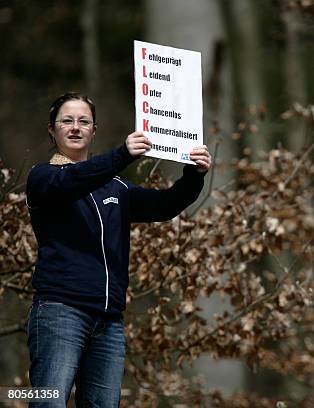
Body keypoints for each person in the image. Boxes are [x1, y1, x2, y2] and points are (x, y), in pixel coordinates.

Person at [26, 92, 212, 407]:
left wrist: (194, 175)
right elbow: (72, 181)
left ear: (93, 130)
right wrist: (122, 155)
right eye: (66, 121)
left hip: (109, 322)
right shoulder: (43, 177)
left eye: (83, 121)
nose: (75, 127)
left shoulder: (117, 188)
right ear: (51, 130)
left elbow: (165, 206)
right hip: (60, 312)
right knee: (48, 403)